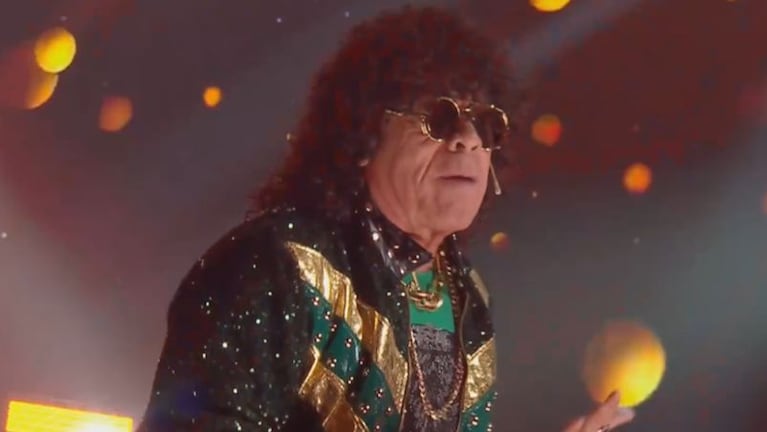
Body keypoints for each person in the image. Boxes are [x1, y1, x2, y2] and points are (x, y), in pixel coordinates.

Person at [138, 5, 635, 432]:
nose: (466, 140)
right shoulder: (276, 265)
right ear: (363, 139)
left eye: (485, 125)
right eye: (439, 120)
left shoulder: (468, 296)